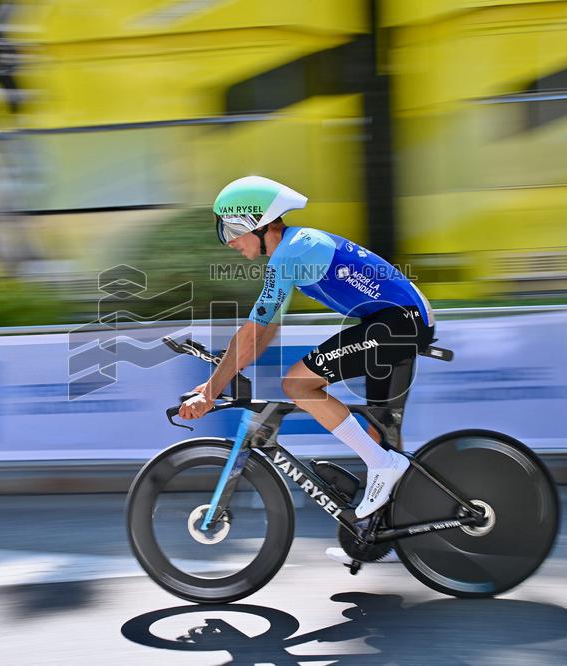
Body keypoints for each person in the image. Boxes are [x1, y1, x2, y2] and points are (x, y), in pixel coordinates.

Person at [179, 176, 435, 539]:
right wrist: (214, 382)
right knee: (381, 432)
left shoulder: (293, 252)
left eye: (230, 230)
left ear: (257, 222)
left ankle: (383, 463)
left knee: (299, 382)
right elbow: (265, 331)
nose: (230, 241)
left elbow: (253, 334)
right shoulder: (295, 249)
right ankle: (379, 540)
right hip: (397, 321)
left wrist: (209, 394)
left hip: (398, 323)